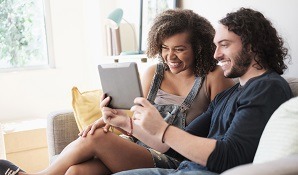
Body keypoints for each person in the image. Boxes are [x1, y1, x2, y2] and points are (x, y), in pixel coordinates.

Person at [0, 9, 234, 175]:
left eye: (180, 49)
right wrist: (109, 118)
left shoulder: (213, 78)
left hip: (174, 158)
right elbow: (135, 119)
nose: (170, 57)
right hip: (136, 147)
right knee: (76, 172)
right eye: (164, 48)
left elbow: (216, 134)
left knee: (97, 138)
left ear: (199, 47)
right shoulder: (154, 72)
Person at [108, 7, 293, 175]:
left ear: (251, 45)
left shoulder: (267, 87)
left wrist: (162, 129)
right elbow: (175, 146)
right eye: (216, 45)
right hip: (183, 169)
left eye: (225, 45)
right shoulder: (227, 95)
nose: (216, 54)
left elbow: (231, 157)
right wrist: (125, 123)